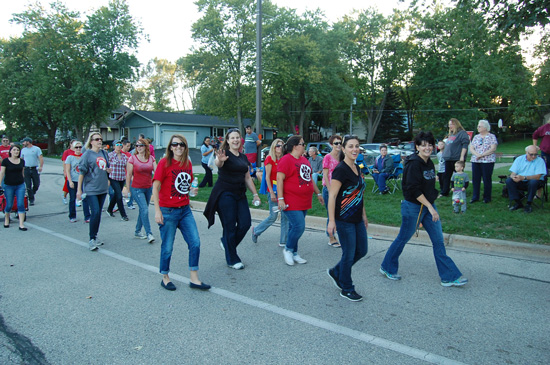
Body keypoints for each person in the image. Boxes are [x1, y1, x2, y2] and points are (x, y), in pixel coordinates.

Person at [380, 131, 468, 287]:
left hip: (428, 206)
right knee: (402, 239)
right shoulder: (413, 163)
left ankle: (449, 276)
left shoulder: (428, 162)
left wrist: (433, 197)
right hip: (413, 207)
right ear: (417, 147)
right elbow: (413, 189)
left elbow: (426, 184)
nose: (427, 148)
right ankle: (387, 266)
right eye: (423, 145)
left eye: (429, 144)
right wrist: (430, 207)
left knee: (438, 241)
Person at [153, 134, 210, 291]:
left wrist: (192, 190)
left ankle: (194, 278)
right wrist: (157, 211)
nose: (178, 147)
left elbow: (186, 184)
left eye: (182, 144)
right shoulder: (164, 163)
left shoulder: (187, 163)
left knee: (195, 242)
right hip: (168, 211)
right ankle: (165, 277)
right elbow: (155, 187)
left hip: (184, 210)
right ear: (170, 147)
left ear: (185, 147)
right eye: (175, 144)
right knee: (168, 247)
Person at [204, 128, 261, 270]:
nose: (235, 140)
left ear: (240, 140)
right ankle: (232, 259)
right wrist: (220, 160)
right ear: (227, 141)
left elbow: (247, 177)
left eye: (237, 137)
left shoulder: (243, 157)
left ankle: (227, 243)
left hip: (240, 194)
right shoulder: (224, 154)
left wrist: (255, 194)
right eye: (232, 138)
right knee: (229, 226)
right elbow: (218, 163)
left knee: (245, 224)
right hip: (225, 194)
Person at [326, 135, 368, 302]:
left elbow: (360, 193)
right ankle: (347, 287)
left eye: (357, 146)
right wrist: (331, 221)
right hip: (343, 219)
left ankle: (337, 271)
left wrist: (364, 215)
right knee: (349, 254)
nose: (354, 149)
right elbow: (332, 195)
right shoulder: (341, 169)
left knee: (362, 250)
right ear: (343, 149)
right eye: (350, 146)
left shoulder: (357, 167)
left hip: (357, 218)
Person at [277, 135, 324, 266]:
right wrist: (280, 198)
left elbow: (309, 178)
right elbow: (279, 179)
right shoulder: (286, 160)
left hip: (304, 200)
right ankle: (288, 249)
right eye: (303, 144)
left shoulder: (304, 160)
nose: (305, 146)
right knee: (299, 226)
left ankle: (294, 253)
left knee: (294, 227)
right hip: (291, 200)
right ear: (295, 146)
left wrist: (318, 193)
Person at [77, 132, 112, 251]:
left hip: (102, 188)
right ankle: (91, 239)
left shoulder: (104, 153)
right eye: (97, 139)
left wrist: (108, 171)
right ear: (91, 141)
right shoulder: (87, 155)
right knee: (95, 212)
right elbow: (82, 173)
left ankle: (95, 236)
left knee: (98, 214)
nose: (99, 141)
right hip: (91, 188)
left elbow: (105, 168)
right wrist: (79, 190)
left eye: (101, 139)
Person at [251, 138, 289, 247]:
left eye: (281, 145)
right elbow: (267, 177)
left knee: (285, 216)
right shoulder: (269, 159)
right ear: (273, 147)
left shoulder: (285, 159)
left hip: (284, 191)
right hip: (273, 191)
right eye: (277, 145)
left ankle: (283, 241)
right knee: (273, 216)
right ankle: (256, 230)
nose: (280, 148)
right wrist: (271, 192)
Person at [127, 138, 157, 243]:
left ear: (146, 147)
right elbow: (129, 174)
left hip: (148, 188)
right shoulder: (132, 158)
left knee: (142, 210)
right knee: (144, 210)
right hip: (136, 188)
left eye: (141, 145)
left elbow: (156, 172)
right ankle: (149, 233)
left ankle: (137, 231)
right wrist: (127, 189)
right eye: (137, 146)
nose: (139, 148)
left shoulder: (151, 158)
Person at [506, 145, 547, 213]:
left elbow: (538, 177)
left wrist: (524, 177)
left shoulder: (540, 161)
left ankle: (528, 204)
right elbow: (513, 173)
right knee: (509, 181)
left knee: (533, 182)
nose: (533, 156)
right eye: (531, 154)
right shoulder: (519, 159)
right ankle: (518, 202)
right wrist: (513, 177)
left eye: (535, 154)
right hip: (521, 181)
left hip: (535, 182)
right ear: (526, 152)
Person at [469, 119, 498, 204]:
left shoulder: (491, 136)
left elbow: (493, 148)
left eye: (480, 126)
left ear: (485, 127)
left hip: (487, 161)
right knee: (475, 179)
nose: (478, 128)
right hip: (476, 161)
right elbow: (471, 147)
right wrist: (476, 154)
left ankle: (487, 197)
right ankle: (475, 196)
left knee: (487, 179)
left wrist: (481, 155)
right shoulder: (476, 137)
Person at [322, 135, 343, 247]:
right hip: (329, 190)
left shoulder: (343, 157)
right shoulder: (328, 157)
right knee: (331, 214)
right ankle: (331, 237)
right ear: (331, 145)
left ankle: (341, 235)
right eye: (336, 143)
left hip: (341, 190)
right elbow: (325, 174)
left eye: (340, 143)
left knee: (340, 214)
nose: (338, 145)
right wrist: (330, 190)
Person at [440, 118, 470, 197]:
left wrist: (462, 157)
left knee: (458, 176)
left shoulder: (462, 133)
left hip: (456, 158)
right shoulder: (452, 134)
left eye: (451, 124)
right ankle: (444, 192)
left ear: (456, 124)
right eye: (449, 124)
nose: (450, 126)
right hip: (448, 159)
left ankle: (460, 191)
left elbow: (465, 145)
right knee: (446, 176)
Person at [0, 145, 27, 230]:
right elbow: (2, 173)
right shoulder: (5, 161)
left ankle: (21, 224)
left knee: (20, 204)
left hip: (20, 185)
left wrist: (24, 183)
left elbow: (22, 173)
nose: (16, 151)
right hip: (9, 185)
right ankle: (7, 219)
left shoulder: (22, 161)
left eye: (18, 150)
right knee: (9, 205)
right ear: (10, 151)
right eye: (14, 150)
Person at [64, 141, 90, 223]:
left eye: (80, 147)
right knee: (72, 198)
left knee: (85, 198)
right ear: (73, 148)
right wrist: (70, 181)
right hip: (73, 180)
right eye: (76, 147)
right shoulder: (70, 157)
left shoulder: (84, 156)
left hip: (82, 181)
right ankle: (72, 216)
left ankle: (87, 216)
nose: (78, 149)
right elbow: (67, 170)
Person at [105, 140, 129, 220]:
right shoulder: (110, 155)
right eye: (117, 144)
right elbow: (105, 166)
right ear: (114, 146)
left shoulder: (124, 156)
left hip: (121, 178)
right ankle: (123, 215)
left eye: (120, 144)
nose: (119, 146)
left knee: (116, 195)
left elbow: (127, 166)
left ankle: (109, 209)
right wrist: (107, 172)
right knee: (119, 195)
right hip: (113, 177)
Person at [20, 137, 44, 205]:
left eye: (24, 142)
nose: (23, 143)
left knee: (36, 184)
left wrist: (41, 166)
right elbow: (21, 159)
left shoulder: (36, 149)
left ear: (28, 142)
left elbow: (41, 158)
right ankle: (31, 199)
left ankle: (32, 193)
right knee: (28, 185)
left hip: (34, 169)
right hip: (26, 169)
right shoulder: (23, 150)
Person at [121, 140, 136, 210]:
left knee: (131, 188)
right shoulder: (119, 153)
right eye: (127, 146)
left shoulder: (129, 155)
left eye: (129, 146)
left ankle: (130, 203)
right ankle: (117, 204)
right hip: (120, 175)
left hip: (128, 174)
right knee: (118, 191)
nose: (128, 148)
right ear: (123, 145)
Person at [61, 140, 76, 205]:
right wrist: (65, 171)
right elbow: (64, 162)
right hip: (69, 171)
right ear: (70, 144)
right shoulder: (67, 152)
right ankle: (64, 196)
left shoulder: (77, 151)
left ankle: (75, 198)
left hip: (76, 171)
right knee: (68, 185)